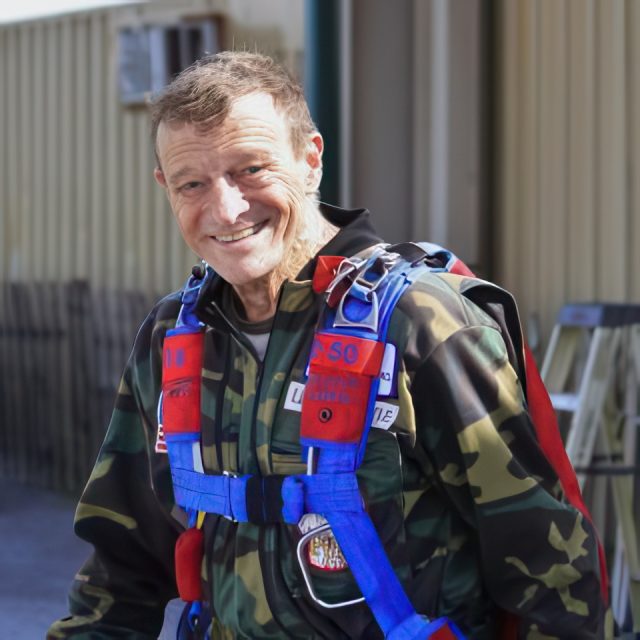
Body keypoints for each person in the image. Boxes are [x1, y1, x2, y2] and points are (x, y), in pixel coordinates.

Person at [48, 51, 611, 640]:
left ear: (311, 159)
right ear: (166, 187)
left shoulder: (421, 325)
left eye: (251, 169)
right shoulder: (174, 341)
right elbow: (118, 572)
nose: (226, 208)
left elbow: (553, 573)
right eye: (193, 182)